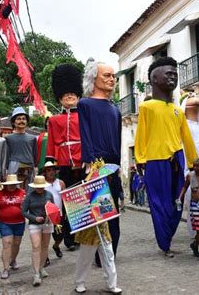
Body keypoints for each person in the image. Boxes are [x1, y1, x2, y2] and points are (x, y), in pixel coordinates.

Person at [134, 57, 197, 257]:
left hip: (177, 160)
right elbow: (141, 133)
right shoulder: (147, 107)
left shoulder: (178, 110)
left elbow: (186, 138)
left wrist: (195, 160)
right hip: (155, 161)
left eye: (175, 74)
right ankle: (165, 243)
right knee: (159, 203)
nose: (173, 76)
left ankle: (167, 237)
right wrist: (140, 158)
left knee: (177, 202)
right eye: (168, 73)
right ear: (154, 78)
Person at [77, 61, 124, 266]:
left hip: (113, 166)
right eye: (106, 75)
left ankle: (108, 256)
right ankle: (99, 257)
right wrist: (90, 163)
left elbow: (118, 140)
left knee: (113, 217)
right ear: (93, 78)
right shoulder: (85, 104)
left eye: (113, 76)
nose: (111, 79)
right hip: (95, 165)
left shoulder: (115, 109)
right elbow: (85, 134)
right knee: (97, 216)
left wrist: (119, 166)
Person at [46, 63, 84, 251]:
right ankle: (66, 236)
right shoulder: (53, 120)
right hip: (63, 164)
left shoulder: (85, 116)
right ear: (60, 98)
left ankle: (78, 236)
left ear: (78, 96)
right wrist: (50, 165)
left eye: (73, 94)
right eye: (65, 94)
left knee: (79, 201)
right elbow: (52, 142)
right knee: (64, 202)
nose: (69, 96)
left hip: (81, 162)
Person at [180, 89, 199, 239]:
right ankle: (195, 230)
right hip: (191, 169)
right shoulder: (184, 125)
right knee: (193, 198)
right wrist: (194, 97)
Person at [0, 174, 25, 279]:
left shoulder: (22, 193)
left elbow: (28, 205)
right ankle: (5, 268)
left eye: (14, 184)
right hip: (5, 223)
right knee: (7, 244)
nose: (12, 186)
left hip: (19, 223)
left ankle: (13, 259)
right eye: (10, 184)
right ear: (5, 185)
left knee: (16, 244)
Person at [21, 175, 53, 287]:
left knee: (45, 246)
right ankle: (36, 274)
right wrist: (34, 218)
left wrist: (50, 216)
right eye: (38, 186)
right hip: (34, 224)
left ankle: (41, 268)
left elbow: (52, 208)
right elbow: (23, 211)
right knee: (36, 246)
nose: (40, 188)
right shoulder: (29, 196)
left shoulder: (49, 194)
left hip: (47, 223)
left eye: (41, 186)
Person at [73, 222, 122, 294]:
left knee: (109, 258)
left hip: (103, 231)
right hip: (88, 232)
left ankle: (111, 285)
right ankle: (79, 283)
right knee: (85, 259)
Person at [5, 107, 37, 191]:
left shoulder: (32, 138)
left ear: (27, 121)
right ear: (13, 122)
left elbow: (34, 154)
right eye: (18, 119)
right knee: (14, 190)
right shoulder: (8, 138)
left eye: (23, 119)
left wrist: (35, 167)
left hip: (29, 166)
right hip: (13, 166)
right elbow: (6, 155)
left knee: (29, 190)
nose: (21, 121)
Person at [42, 162, 66, 259]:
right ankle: (45, 257)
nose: (51, 172)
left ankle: (56, 246)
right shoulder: (42, 184)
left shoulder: (61, 183)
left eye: (53, 170)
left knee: (60, 236)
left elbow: (65, 198)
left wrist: (67, 212)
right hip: (46, 215)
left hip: (58, 214)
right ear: (45, 172)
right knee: (45, 238)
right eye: (48, 170)